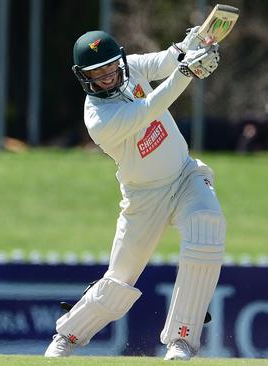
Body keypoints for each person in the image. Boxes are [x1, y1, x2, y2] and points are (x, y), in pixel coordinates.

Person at [44, 28, 223, 361]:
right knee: (118, 283)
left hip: (184, 174)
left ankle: (182, 339)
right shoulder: (98, 117)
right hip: (144, 197)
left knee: (207, 227)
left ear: (120, 60)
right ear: (83, 78)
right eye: (96, 74)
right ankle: (68, 334)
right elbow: (150, 108)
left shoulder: (132, 68)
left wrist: (194, 44)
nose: (107, 77)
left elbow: (167, 60)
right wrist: (187, 71)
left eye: (111, 67)